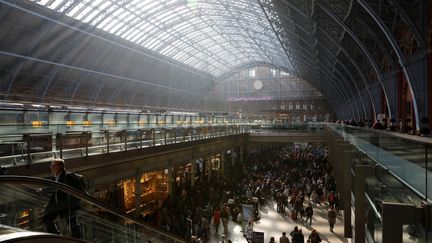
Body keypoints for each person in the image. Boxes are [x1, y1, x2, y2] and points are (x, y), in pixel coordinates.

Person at [42, 159, 81, 238]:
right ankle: (57, 236)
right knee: (46, 218)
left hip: (67, 204)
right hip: (58, 205)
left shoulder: (68, 176)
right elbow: (52, 187)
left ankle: (77, 239)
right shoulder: (55, 176)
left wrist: (45, 190)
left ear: (61, 166)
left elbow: (59, 187)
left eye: (53, 166)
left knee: (72, 223)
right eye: (51, 166)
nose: (51, 168)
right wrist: (43, 190)